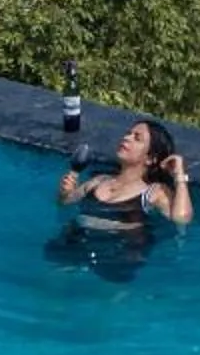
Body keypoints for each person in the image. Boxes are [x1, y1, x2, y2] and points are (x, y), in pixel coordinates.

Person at [47, 117, 192, 280]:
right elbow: (64, 204)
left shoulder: (154, 192)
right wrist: (65, 192)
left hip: (116, 260)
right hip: (73, 248)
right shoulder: (98, 181)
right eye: (128, 133)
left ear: (150, 158)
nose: (126, 137)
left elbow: (181, 219)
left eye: (137, 138)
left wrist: (179, 175)